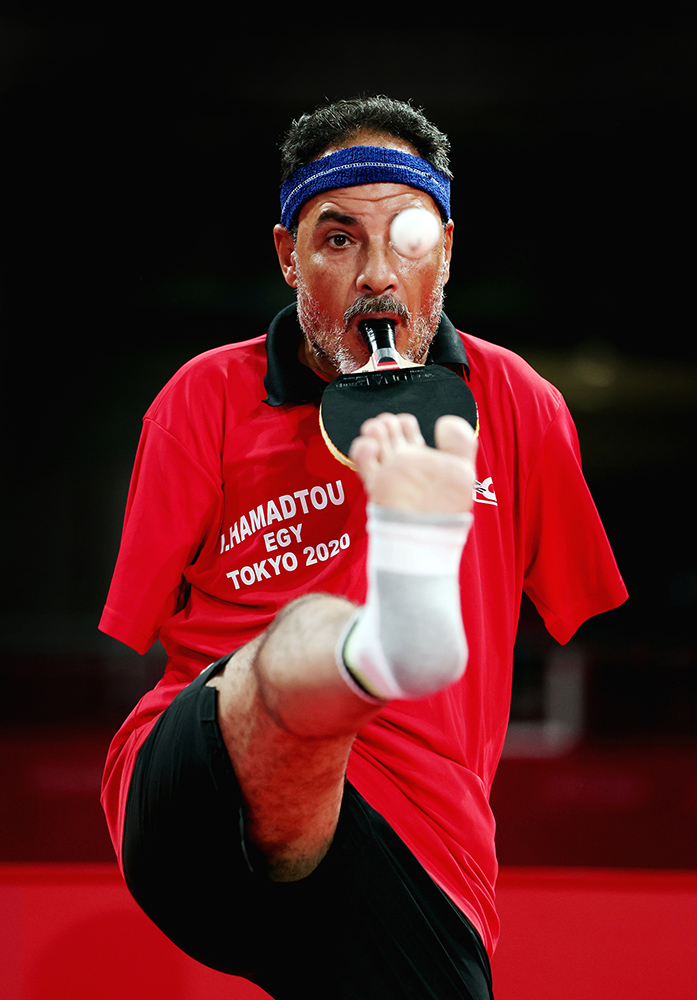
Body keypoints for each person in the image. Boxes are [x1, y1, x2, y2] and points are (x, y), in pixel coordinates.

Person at [99, 96, 627, 999]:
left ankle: (374, 644)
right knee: (291, 648)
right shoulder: (201, 398)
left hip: (419, 836)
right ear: (287, 256)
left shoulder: (520, 408)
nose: (378, 275)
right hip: (207, 777)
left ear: (447, 251)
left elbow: (578, 622)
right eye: (338, 240)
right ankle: (380, 646)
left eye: (409, 239)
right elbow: (131, 644)